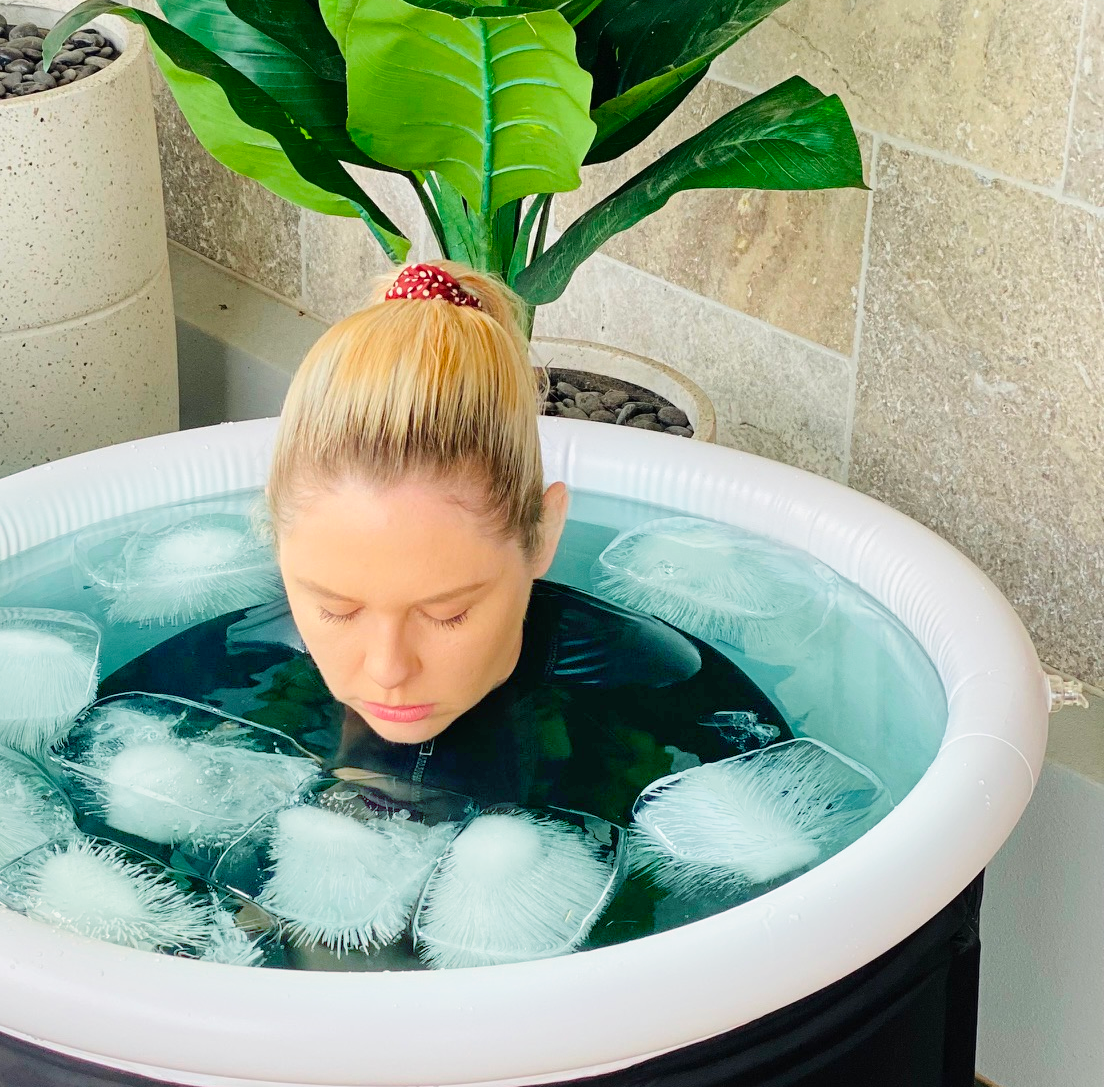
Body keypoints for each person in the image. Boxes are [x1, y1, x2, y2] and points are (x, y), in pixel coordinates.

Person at [107, 261, 784, 834]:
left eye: (448, 613)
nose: (388, 668)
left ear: (542, 536)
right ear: (278, 545)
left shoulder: (652, 680)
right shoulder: (225, 664)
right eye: (334, 610)